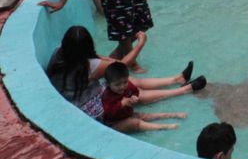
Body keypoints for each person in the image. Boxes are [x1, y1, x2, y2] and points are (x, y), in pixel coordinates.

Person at [47, 26, 205, 122]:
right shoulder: (89, 67)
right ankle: (184, 89)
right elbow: (120, 65)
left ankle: (177, 79)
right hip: (86, 107)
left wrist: (104, 59)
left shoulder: (59, 54)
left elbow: (96, 58)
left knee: (129, 81)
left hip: (74, 97)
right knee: (129, 90)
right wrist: (140, 45)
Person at [102, 62, 187, 132]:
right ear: (108, 84)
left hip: (126, 115)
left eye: (125, 82)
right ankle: (164, 127)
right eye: (117, 85)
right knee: (136, 123)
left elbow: (135, 91)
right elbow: (108, 112)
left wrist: (134, 97)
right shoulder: (107, 96)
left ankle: (173, 115)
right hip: (113, 124)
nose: (122, 86)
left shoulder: (127, 85)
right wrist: (121, 104)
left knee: (145, 116)